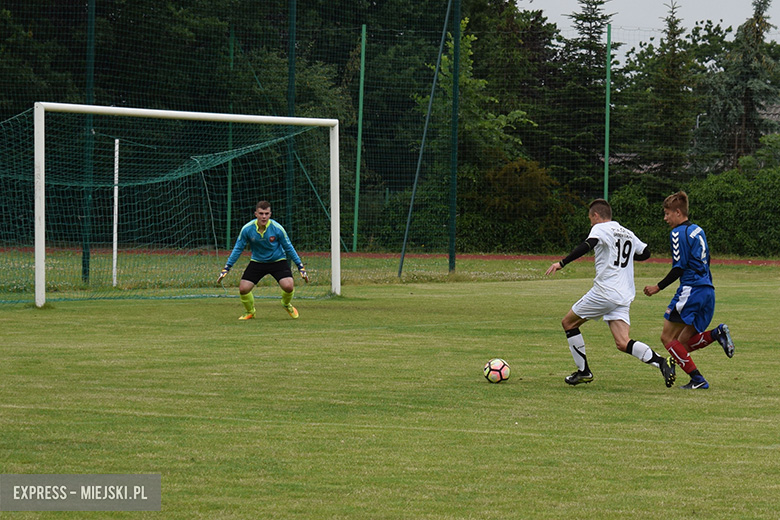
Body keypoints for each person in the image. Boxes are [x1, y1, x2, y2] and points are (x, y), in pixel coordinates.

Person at [546, 199, 676, 388]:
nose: (590, 223)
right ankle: (662, 362)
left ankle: (583, 372)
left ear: (596, 215)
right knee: (623, 342)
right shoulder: (627, 232)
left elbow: (587, 245)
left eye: (590, 218)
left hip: (604, 292)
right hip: (624, 295)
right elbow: (646, 252)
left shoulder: (600, 229)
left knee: (568, 322)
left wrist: (562, 263)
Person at [643, 191, 734, 390]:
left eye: (667, 214)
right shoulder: (697, 230)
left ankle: (698, 379)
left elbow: (679, 267)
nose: (665, 218)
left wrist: (657, 287)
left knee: (667, 338)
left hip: (691, 289)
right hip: (707, 290)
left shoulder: (677, 233)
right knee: (682, 343)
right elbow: (706, 260)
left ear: (677, 212)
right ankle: (716, 334)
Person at [217, 200, 309, 320]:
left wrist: (300, 266)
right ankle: (250, 312)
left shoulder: (277, 228)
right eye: (261, 213)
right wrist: (227, 268)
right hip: (257, 262)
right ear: (256, 214)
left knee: (288, 286)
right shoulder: (247, 229)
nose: (264, 216)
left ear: (270, 214)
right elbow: (238, 249)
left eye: (266, 213)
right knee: (243, 289)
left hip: (278, 261)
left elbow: (288, 247)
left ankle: (286, 304)